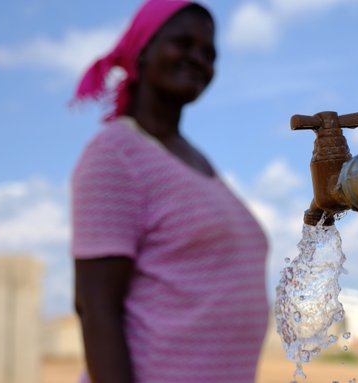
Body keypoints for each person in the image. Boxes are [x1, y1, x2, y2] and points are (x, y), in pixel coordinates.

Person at [70, 1, 269, 382]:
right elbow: (96, 307)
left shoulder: (195, 159)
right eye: (182, 42)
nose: (197, 58)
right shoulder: (116, 155)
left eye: (209, 53)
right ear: (142, 50)